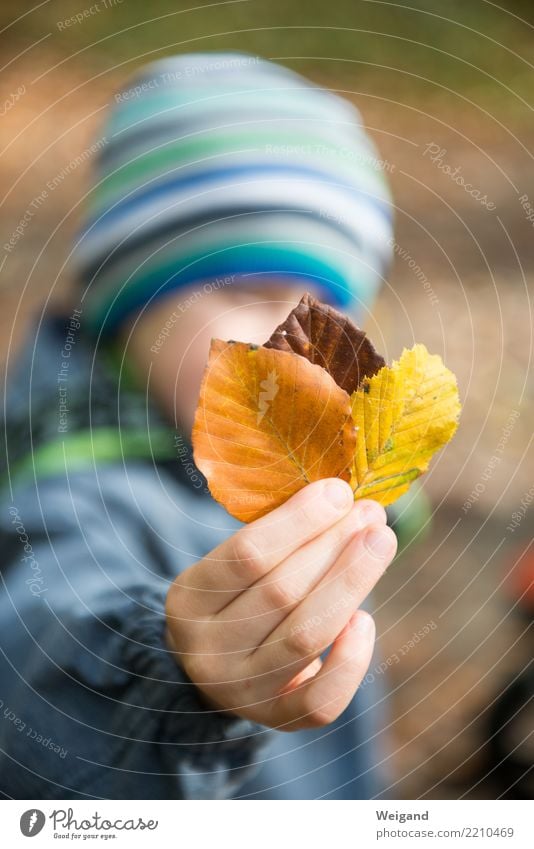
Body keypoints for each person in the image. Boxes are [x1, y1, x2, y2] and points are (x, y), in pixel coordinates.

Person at [0, 53, 399, 799]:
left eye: (330, 306)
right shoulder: (73, 490)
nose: (297, 340)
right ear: (133, 310)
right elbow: (44, 630)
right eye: (250, 289)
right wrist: (169, 666)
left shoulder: (307, 477)